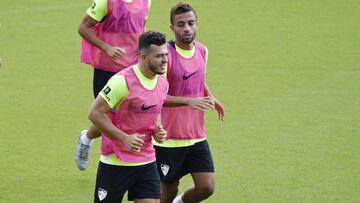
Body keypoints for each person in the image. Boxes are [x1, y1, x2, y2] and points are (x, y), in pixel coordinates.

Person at [154, 3, 225, 203]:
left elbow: (198, 78)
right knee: (168, 191)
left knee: (207, 186)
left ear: (197, 25)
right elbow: (157, 97)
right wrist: (189, 101)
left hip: (196, 135)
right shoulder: (165, 57)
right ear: (172, 27)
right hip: (169, 137)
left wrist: (211, 96)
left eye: (191, 23)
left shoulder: (202, 50)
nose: (187, 28)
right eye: (181, 24)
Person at [88, 31, 168, 203]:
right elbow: (94, 113)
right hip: (116, 162)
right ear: (144, 57)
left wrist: (157, 130)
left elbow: (156, 109)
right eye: (159, 56)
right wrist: (123, 138)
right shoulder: (122, 81)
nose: (165, 60)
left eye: (166, 55)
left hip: (146, 160)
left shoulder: (162, 81)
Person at [75, 0, 151, 170]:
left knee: (128, 116)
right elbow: (83, 27)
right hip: (107, 69)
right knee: (107, 118)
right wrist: (106, 47)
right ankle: (86, 138)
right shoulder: (105, 2)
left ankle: (127, 162)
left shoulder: (146, 1)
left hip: (133, 68)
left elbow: (140, 28)